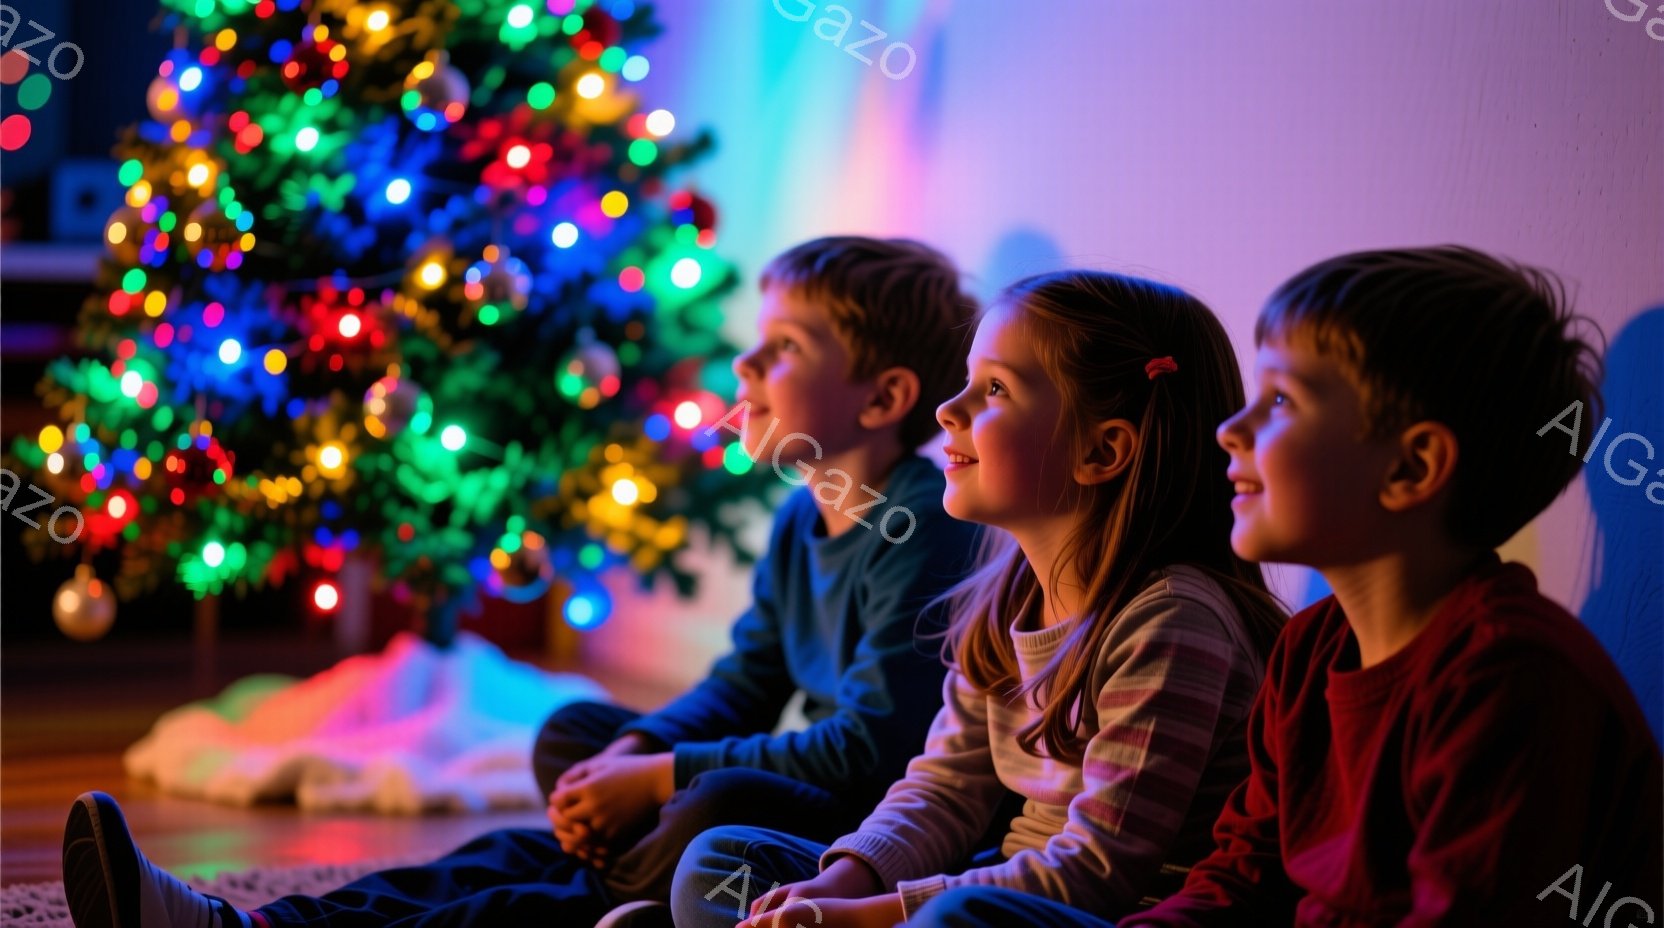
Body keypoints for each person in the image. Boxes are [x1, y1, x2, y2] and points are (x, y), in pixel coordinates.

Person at [59, 236, 984, 928]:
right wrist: (631, 759)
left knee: (665, 822)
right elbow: (747, 684)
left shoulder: (921, 524)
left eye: (782, 348)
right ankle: (620, 880)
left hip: (862, 830)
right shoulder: (801, 515)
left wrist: (663, 776)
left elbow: (872, 748)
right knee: (576, 738)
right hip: (781, 790)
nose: (744, 365)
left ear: (884, 399)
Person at [905, 246, 1664, 928]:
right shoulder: (1313, 647)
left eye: (1281, 404)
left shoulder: (1508, 677)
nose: (1229, 430)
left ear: (1410, 469)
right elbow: (1237, 879)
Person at [671, 270, 1288, 928]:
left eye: (994, 388)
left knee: (955, 917)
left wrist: (870, 917)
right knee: (721, 863)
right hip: (993, 886)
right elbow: (946, 787)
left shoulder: (1172, 621)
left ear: (1103, 449)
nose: (949, 409)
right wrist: (844, 888)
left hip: (1102, 914)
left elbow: (1100, 869)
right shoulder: (1009, 598)